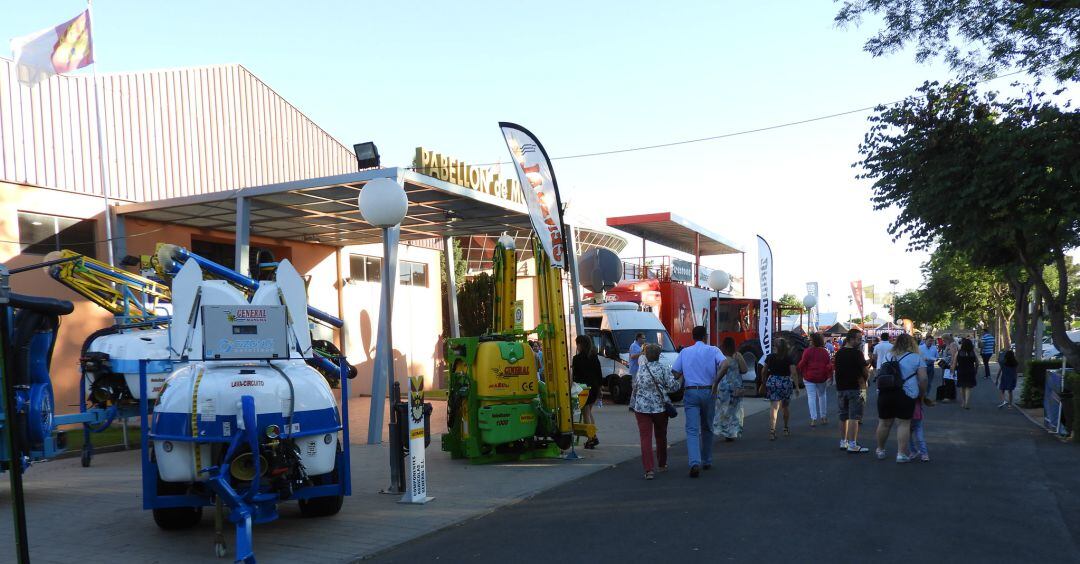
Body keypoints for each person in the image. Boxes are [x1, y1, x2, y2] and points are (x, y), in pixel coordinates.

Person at [671, 325, 724, 477]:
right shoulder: (714, 350)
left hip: (691, 392)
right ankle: (707, 459)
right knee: (707, 427)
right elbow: (725, 364)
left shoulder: (685, 352)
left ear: (693, 337)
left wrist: (683, 376)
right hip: (708, 390)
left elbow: (675, 372)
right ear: (705, 336)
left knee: (692, 430)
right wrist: (716, 381)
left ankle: (695, 462)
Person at [630, 344, 682, 480]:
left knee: (645, 439)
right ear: (659, 355)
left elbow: (635, 387)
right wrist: (680, 379)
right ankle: (662, 463)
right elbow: (673, 387)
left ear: (646, 355)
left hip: (641, 408)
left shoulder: (642, 369)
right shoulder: (663, 368)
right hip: (659, 408)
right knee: (661, 436)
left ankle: (648, 470)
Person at [874, 333, 927, 463]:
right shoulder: (916, 357)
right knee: (903, 424)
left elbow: (881, 372)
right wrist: (922, 395)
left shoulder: (888, 355)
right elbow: (923, 379)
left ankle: (880, 450)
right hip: (906, 394)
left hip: (886, 392)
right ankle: (901, 454)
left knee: (884, 422)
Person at [834, 330, 870, 453]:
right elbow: (865, 371)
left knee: (843, 416)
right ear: (851, 339)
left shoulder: (838, 353)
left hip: (841, 388)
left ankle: (843, 441)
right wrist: (866, 380)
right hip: (855, 388)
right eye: (859, 338)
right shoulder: (857, 353)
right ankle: (853, 444)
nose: (860, 341)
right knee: (854, 417)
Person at [761, 338, 802, 441]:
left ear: (775, 347)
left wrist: (763, 383)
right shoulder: (789, 358)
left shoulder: (770, 357)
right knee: (785, 406)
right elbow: (793, 373)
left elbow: (763, 371)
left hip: (773, 381)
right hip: (785, 383)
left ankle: (772, 431)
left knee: (774, 407)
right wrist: (797, 387)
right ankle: (785, 428)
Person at [713, 337, 748, 441]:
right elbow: (745, 370)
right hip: (735, 387)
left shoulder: (720, 356)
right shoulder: (737, 355)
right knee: (735, 410)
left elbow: (715, 371)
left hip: (723, 387)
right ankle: (732, 432)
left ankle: (723, 430)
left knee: (722, 409)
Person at [571, 335, 603, 449]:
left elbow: (574, 376)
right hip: (594, 388)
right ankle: (593, 436)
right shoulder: (594, 357)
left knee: (586, 414)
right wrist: (600, 389)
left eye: (577, 344)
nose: (577, 346)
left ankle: (591, 438)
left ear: (581, 344)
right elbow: (599, 374)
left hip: (583, 389)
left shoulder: (577, 359)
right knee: (589, 412)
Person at [797, 333, 833, 427]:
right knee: (822, 396)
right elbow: (828, 364)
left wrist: (799, 370)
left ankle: (813, 418)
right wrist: (830, 376)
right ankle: (823, 417)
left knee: (811, 397)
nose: (809, 341)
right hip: (822, 377)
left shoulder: (807, 351)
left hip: (809, 377)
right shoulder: (825, 352)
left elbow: (802, 363)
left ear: (813, 341)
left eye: (810, 340)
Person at [953, 337, 979, 409]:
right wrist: (976, 370)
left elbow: (954, 363)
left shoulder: (959, 352)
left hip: (961, 371)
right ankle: (967, 402)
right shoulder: (973, 353)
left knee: (962, 387)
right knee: (968, 387)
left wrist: (953, 371)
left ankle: (963, 402)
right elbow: (977, 363)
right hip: (970, 371)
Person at [908, 395, 933, 462]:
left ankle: (913, 451)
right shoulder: (917, 389)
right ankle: (924, 454)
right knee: (919, 433)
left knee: (908, 434)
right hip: (917, 413)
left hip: (907, 413)